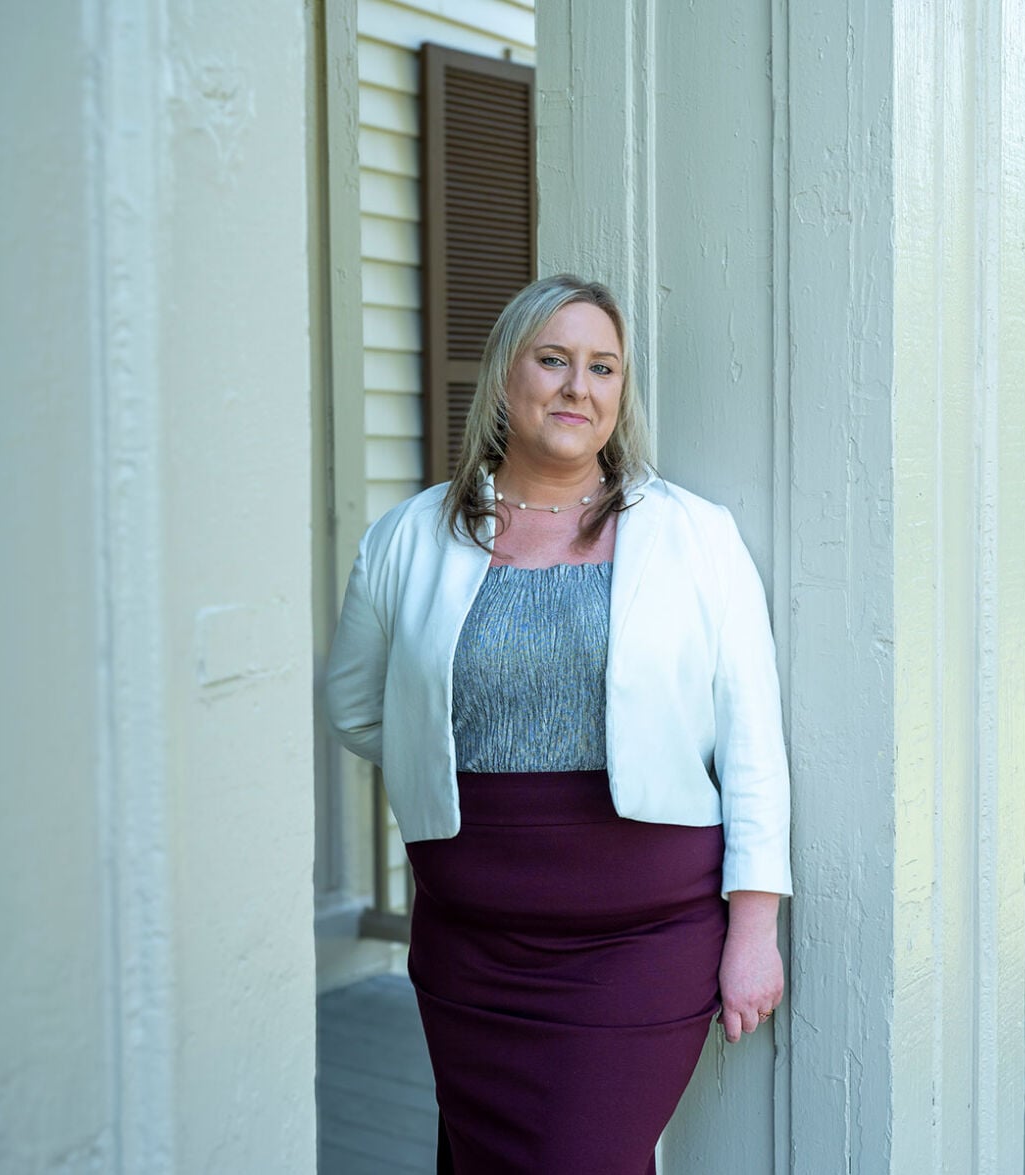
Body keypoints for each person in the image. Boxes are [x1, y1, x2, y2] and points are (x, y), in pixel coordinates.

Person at [325, 273, 791, 1174]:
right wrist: (448, 757)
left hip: (641, 940)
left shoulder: (694, 536)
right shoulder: (407, 536)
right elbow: (355, 704)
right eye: (554, 359)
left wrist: (753, 930)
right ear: (506, 377)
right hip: (468, 942)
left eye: (603, 367)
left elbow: (752, 747)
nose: (579, 385)